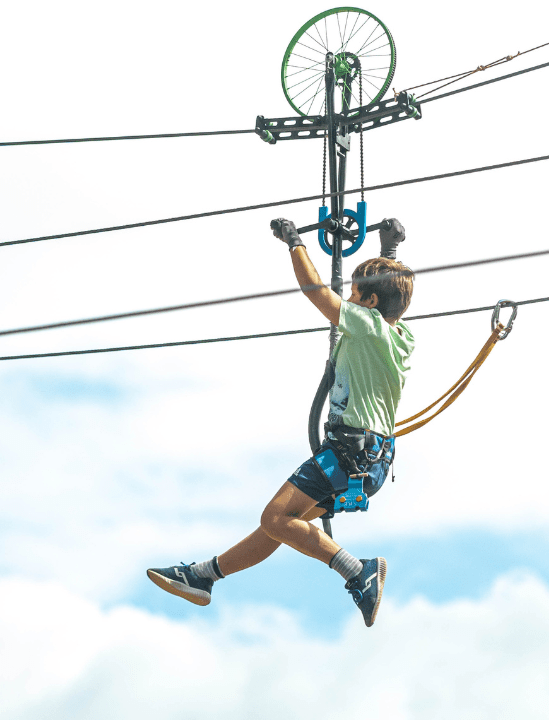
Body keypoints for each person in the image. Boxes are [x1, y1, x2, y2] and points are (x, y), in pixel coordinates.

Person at [147, 218, 414, 627]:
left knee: (274, 518)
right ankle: (204, 577)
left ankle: (356, 571)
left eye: (354, 293)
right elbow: (389, 295)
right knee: (284, 526)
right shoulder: (400, 336)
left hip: (349, 452)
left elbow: (316, 293)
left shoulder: (365, 325)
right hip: (370, 460)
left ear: (370, 304)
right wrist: (389, 251)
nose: (347, 298)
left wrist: (295, 244)